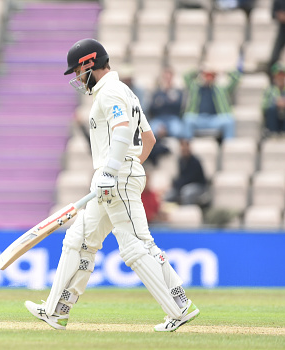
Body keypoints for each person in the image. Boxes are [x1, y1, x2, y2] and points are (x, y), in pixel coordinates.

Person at [24, 38, 199, 332]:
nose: (78, 78)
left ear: (90, 63)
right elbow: (149, 139)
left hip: (114, 177)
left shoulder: (111, 92)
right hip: (114, 177)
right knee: (79, 242)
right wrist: (128, 170)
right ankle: (56, 311)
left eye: (78, 71)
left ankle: (180, 307)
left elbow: (121, 131)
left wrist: (117, 172)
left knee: (136, 247)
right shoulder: (124, 92)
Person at [182, 64, 240, 140]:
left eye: (211, 76)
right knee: (188, 118)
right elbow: (186, 76)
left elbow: (236, 78)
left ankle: (228, 148)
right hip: (198, 119)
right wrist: (199, 70)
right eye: (206, 75)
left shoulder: (221, 90)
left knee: (229, 120)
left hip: (214, 120)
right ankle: (187, 148)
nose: (208, 78)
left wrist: (224, 71)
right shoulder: (195, 88)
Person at [164, 139, 208, 206]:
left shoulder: (195, 162)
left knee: (187, 192)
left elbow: (190, 178)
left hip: (198, 186)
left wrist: (177, 184)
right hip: (183, 185)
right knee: (169, 195)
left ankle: (187, 213)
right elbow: (181, 176)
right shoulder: (181, 161)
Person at [149, 66, 185, 139]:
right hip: (159, 118)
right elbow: (152, 108)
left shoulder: (178, 91)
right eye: (165, 78)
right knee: (152, 131)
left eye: (169, 78)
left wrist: (163, 101)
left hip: (173, 118)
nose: (167, 80)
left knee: (177, 131)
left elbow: (178, 107)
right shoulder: (157, 92)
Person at [261, 62, 285, 134]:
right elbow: (263, 106)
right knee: (272, 109)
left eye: (282, 75)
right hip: (274, 117)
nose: (280, 78)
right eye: (278, 75)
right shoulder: (269, 90)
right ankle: (273, 133)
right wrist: (276, 103)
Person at [270, 0, 285, 72]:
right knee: (274, 57)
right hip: (282, 30)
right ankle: (273, 79)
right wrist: (280, 15)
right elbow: (273, 14)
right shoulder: (278, 1)